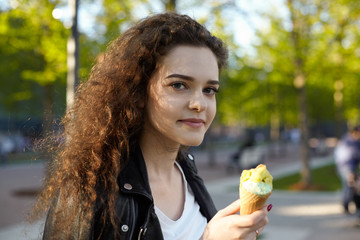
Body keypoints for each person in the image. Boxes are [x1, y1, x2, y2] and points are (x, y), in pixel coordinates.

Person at [34, 12, 271, 239]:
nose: (199, 104)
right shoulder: (90, 188)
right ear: (137, 93)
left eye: (209, 90)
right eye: (179, 85)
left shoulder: (188, 173)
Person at [334, 126, 360, 218]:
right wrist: (350, 172)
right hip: (347, 168)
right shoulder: (349, 142)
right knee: (349, 188)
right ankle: (347, 209)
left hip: (346, 168)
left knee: (351, 188)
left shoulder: (349, 141)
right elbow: (347, 158)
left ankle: (351, 209)